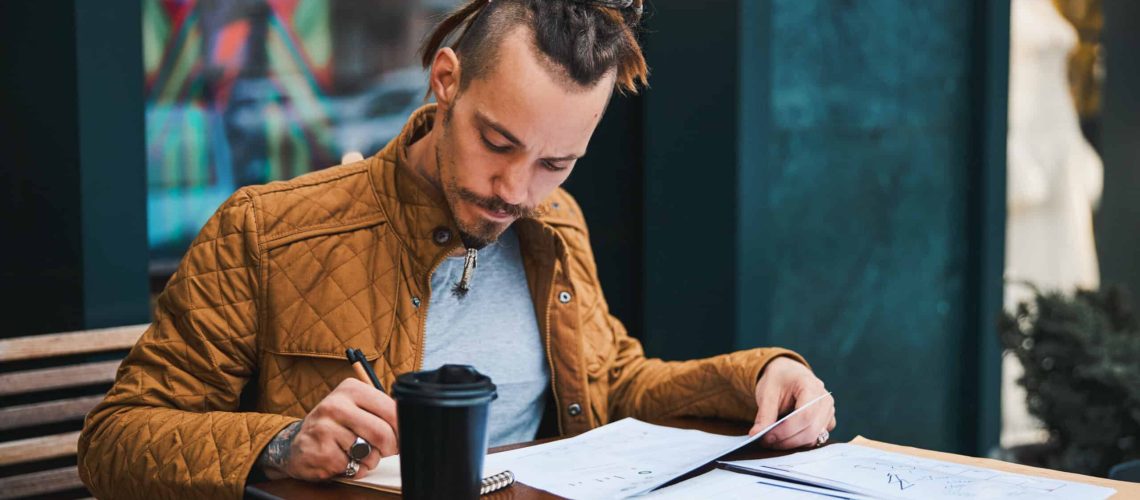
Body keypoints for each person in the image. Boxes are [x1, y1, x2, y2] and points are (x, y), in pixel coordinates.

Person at [77, 1, 835, 497]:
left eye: (554, 162)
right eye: (496, 142)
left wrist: (760, 375)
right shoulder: (266, 232)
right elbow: (114, 440)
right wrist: (280, 442)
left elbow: (614, 384)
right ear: (446, 82)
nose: (515, 188)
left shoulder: (556, 225)